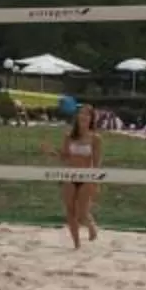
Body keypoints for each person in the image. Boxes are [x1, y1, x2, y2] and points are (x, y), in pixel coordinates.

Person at [59, 104, 104, 246]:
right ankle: (76, 244)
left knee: (82, 213)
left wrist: (97, 183)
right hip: (70, 176)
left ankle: (91, 226)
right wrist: (53, 153)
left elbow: (96, 163)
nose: (83, 116)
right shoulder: (69, 136)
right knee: (70, 211)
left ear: (91, 119)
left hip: (86, 177)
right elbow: (65, 157)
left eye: (86, 114)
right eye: (81, 113)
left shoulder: (95, 138)